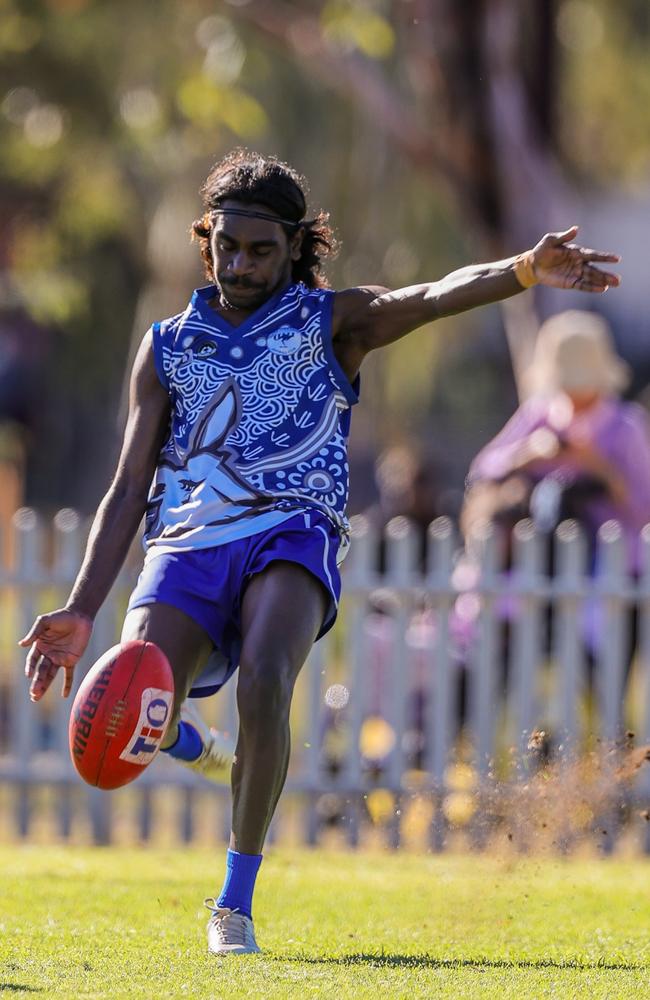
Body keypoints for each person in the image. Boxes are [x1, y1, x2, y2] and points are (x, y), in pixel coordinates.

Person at [18, 149, 620, 955]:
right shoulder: (165, 346)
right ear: (208, 241)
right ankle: (190, 741)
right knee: (138, 692)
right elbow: (128, 489)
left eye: (261, 249)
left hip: (291, 531)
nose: (240, 263)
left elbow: (432, 296)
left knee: (267, 679)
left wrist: (522, 269)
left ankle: (232, 906)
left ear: (296, 247)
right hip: (188, 544)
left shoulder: (332, 320)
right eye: (227, 245)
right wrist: (82, 609)